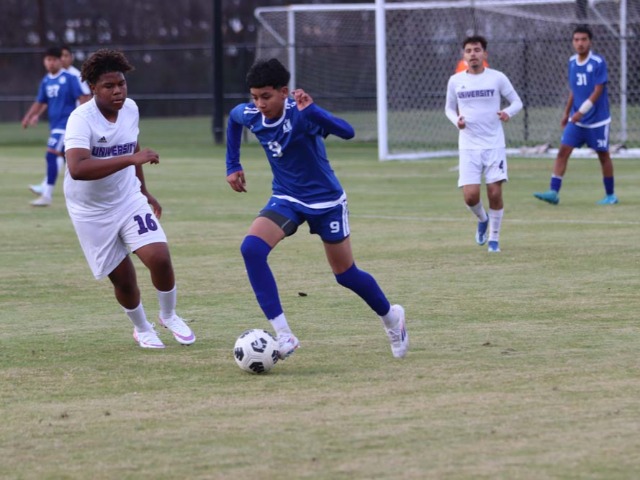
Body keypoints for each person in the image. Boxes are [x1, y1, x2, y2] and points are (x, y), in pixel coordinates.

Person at [225, 58, 408, 359]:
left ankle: (392, 318)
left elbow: (347, 131)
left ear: (284, 92)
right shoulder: (251, 114)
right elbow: (233, 120)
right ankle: (284, 335)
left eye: (266, 96)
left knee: (345, 274)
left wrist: (313, 111)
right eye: (255, 97)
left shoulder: (301, 115)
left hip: (326, 203)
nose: (259, 104)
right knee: (251, 250)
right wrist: (232, 164)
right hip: (286, 198)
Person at [63, 49, 195, 349]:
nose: (117, 91)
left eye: (121, 84)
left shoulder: (131, 109)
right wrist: (130, 159)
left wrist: (143, 190)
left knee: (159, 257)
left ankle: (169, 315)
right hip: (90, 211)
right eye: (108, 86)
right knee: (123, 279)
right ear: (93, 87)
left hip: (128, 199)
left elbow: (130, 145)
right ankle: (142, 328)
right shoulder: (81, 119)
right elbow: (78, 168)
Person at [445, 35, 523, 253]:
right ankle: (482, 219)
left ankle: (494, 240)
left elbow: (517, 102)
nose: (473, 54)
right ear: (464, 55)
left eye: (477, 50)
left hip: (493, 144)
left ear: (485, 54)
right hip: (468, 146)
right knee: (470, 197)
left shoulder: (497, 78)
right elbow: (449, 108)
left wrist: (507, 112)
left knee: (494, 193)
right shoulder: (455, 81)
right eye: (469, 51)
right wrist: (457, 121)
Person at [534, 25, 617, 205]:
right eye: (577, 40)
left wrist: (581, 111)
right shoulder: (572, 62)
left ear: (590, 41)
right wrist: (567, 113)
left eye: (584, 39)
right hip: (577, 120)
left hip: (597, 121)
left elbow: (598, 91)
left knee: (603, 155)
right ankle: (553, 192)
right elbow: (574, 90)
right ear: (573, 42)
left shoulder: (598, 62)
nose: (580, 43)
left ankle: (610, 195)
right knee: (563, 152)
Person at [21, 46, 90, 206]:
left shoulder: (70, 78)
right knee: (68, 159)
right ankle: (84, 193)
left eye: (54, 60)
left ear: (60, 61)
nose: (51, 63)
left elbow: (83, 97)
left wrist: (82, 118)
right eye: (48, 60)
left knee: (51, 155)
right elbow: (40, 101)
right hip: (55, 125)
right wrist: (29, 116)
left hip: (66, 124)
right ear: (44, 62)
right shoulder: (46, 80)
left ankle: (46, 195)